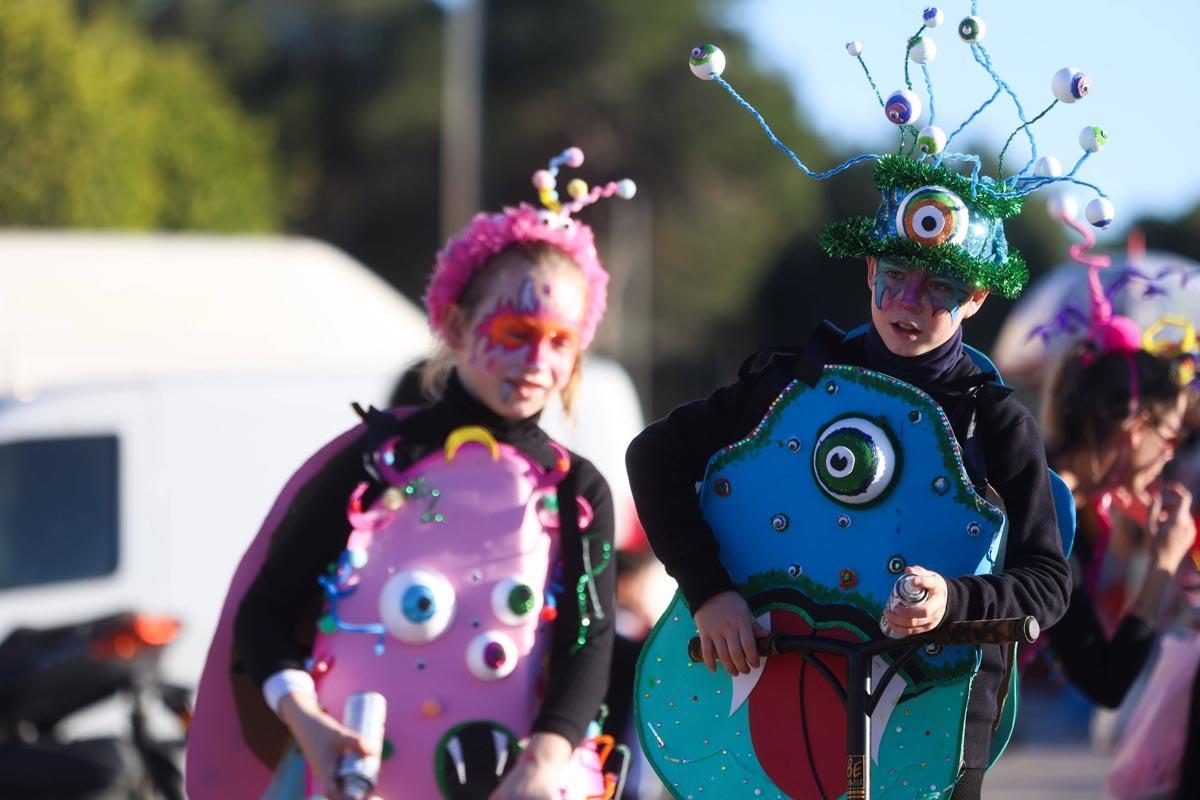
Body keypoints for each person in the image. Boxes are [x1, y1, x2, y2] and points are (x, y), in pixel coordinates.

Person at [628, 12, 1110, 794]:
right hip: (762, 702)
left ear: (978, 296)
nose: (910, 301)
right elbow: (655, 455)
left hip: (926, 726)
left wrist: (956, 600)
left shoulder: (995, 419)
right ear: (868, 273)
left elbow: (1047, 586)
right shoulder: (794, 378)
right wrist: (707, 590)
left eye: (941, 285)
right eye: (895, 273)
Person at [188, 148, 635, 800]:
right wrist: (308, 724)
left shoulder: (578, 489)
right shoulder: (377, 460)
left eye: (561, 341)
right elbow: (264, 616)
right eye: (515, 330)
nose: (537, 360)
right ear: (455, 325)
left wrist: (544, 759)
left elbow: (588, 644)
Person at [1040, 342, 1195, 707]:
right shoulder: (1047, 508)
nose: (1171, 454)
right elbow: (1106, 681)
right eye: (1172, 437)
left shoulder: (1054, 491)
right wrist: (1163, 565)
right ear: (1137, 427)